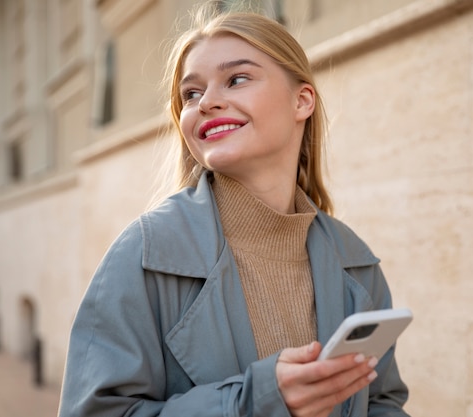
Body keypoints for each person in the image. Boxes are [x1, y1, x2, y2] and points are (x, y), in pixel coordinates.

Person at [57, 3, 410, 417]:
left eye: (236, 79)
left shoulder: (356, 262)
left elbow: (382, 402)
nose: (206, 102)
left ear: (302, 101)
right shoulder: (144, 254)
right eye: (191, 93)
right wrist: (256, 401)